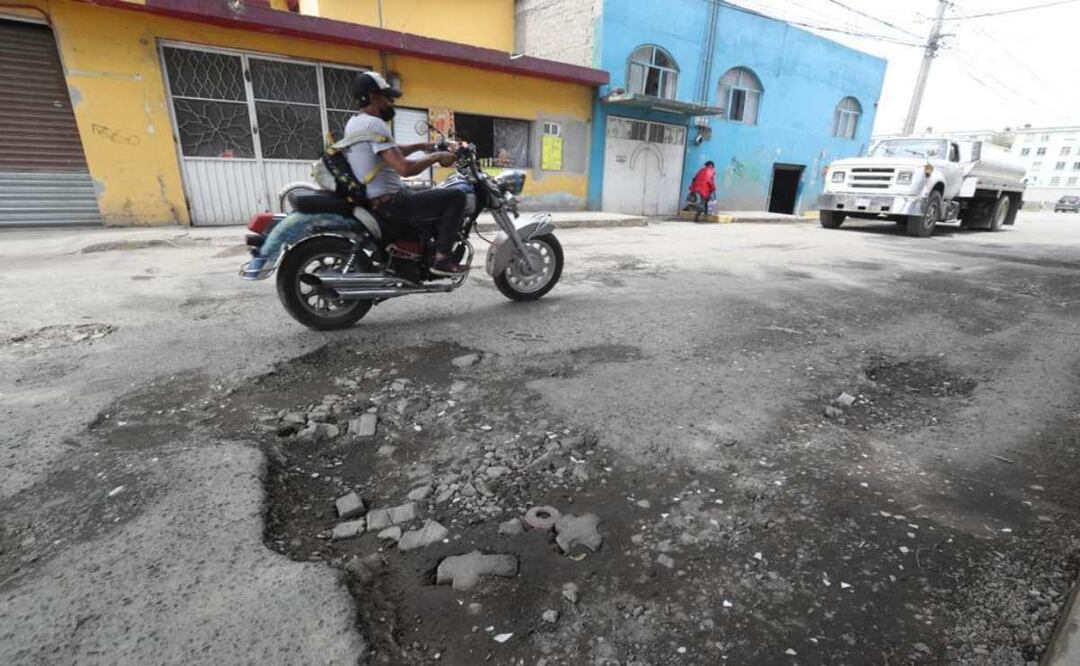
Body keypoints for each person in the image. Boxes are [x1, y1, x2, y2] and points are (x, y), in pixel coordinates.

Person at [344, 72, 468, 276]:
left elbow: (390, 151)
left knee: (432, 190)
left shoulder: (355, 122)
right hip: (391, 202)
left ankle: (421, 251)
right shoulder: (375, 124)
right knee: (456, 196)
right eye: (387, 96)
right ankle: (442, 259)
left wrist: (422, 146)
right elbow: (404, 169)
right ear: (373, 96)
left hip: (378, 198)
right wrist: (437, 156)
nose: (391, 102)